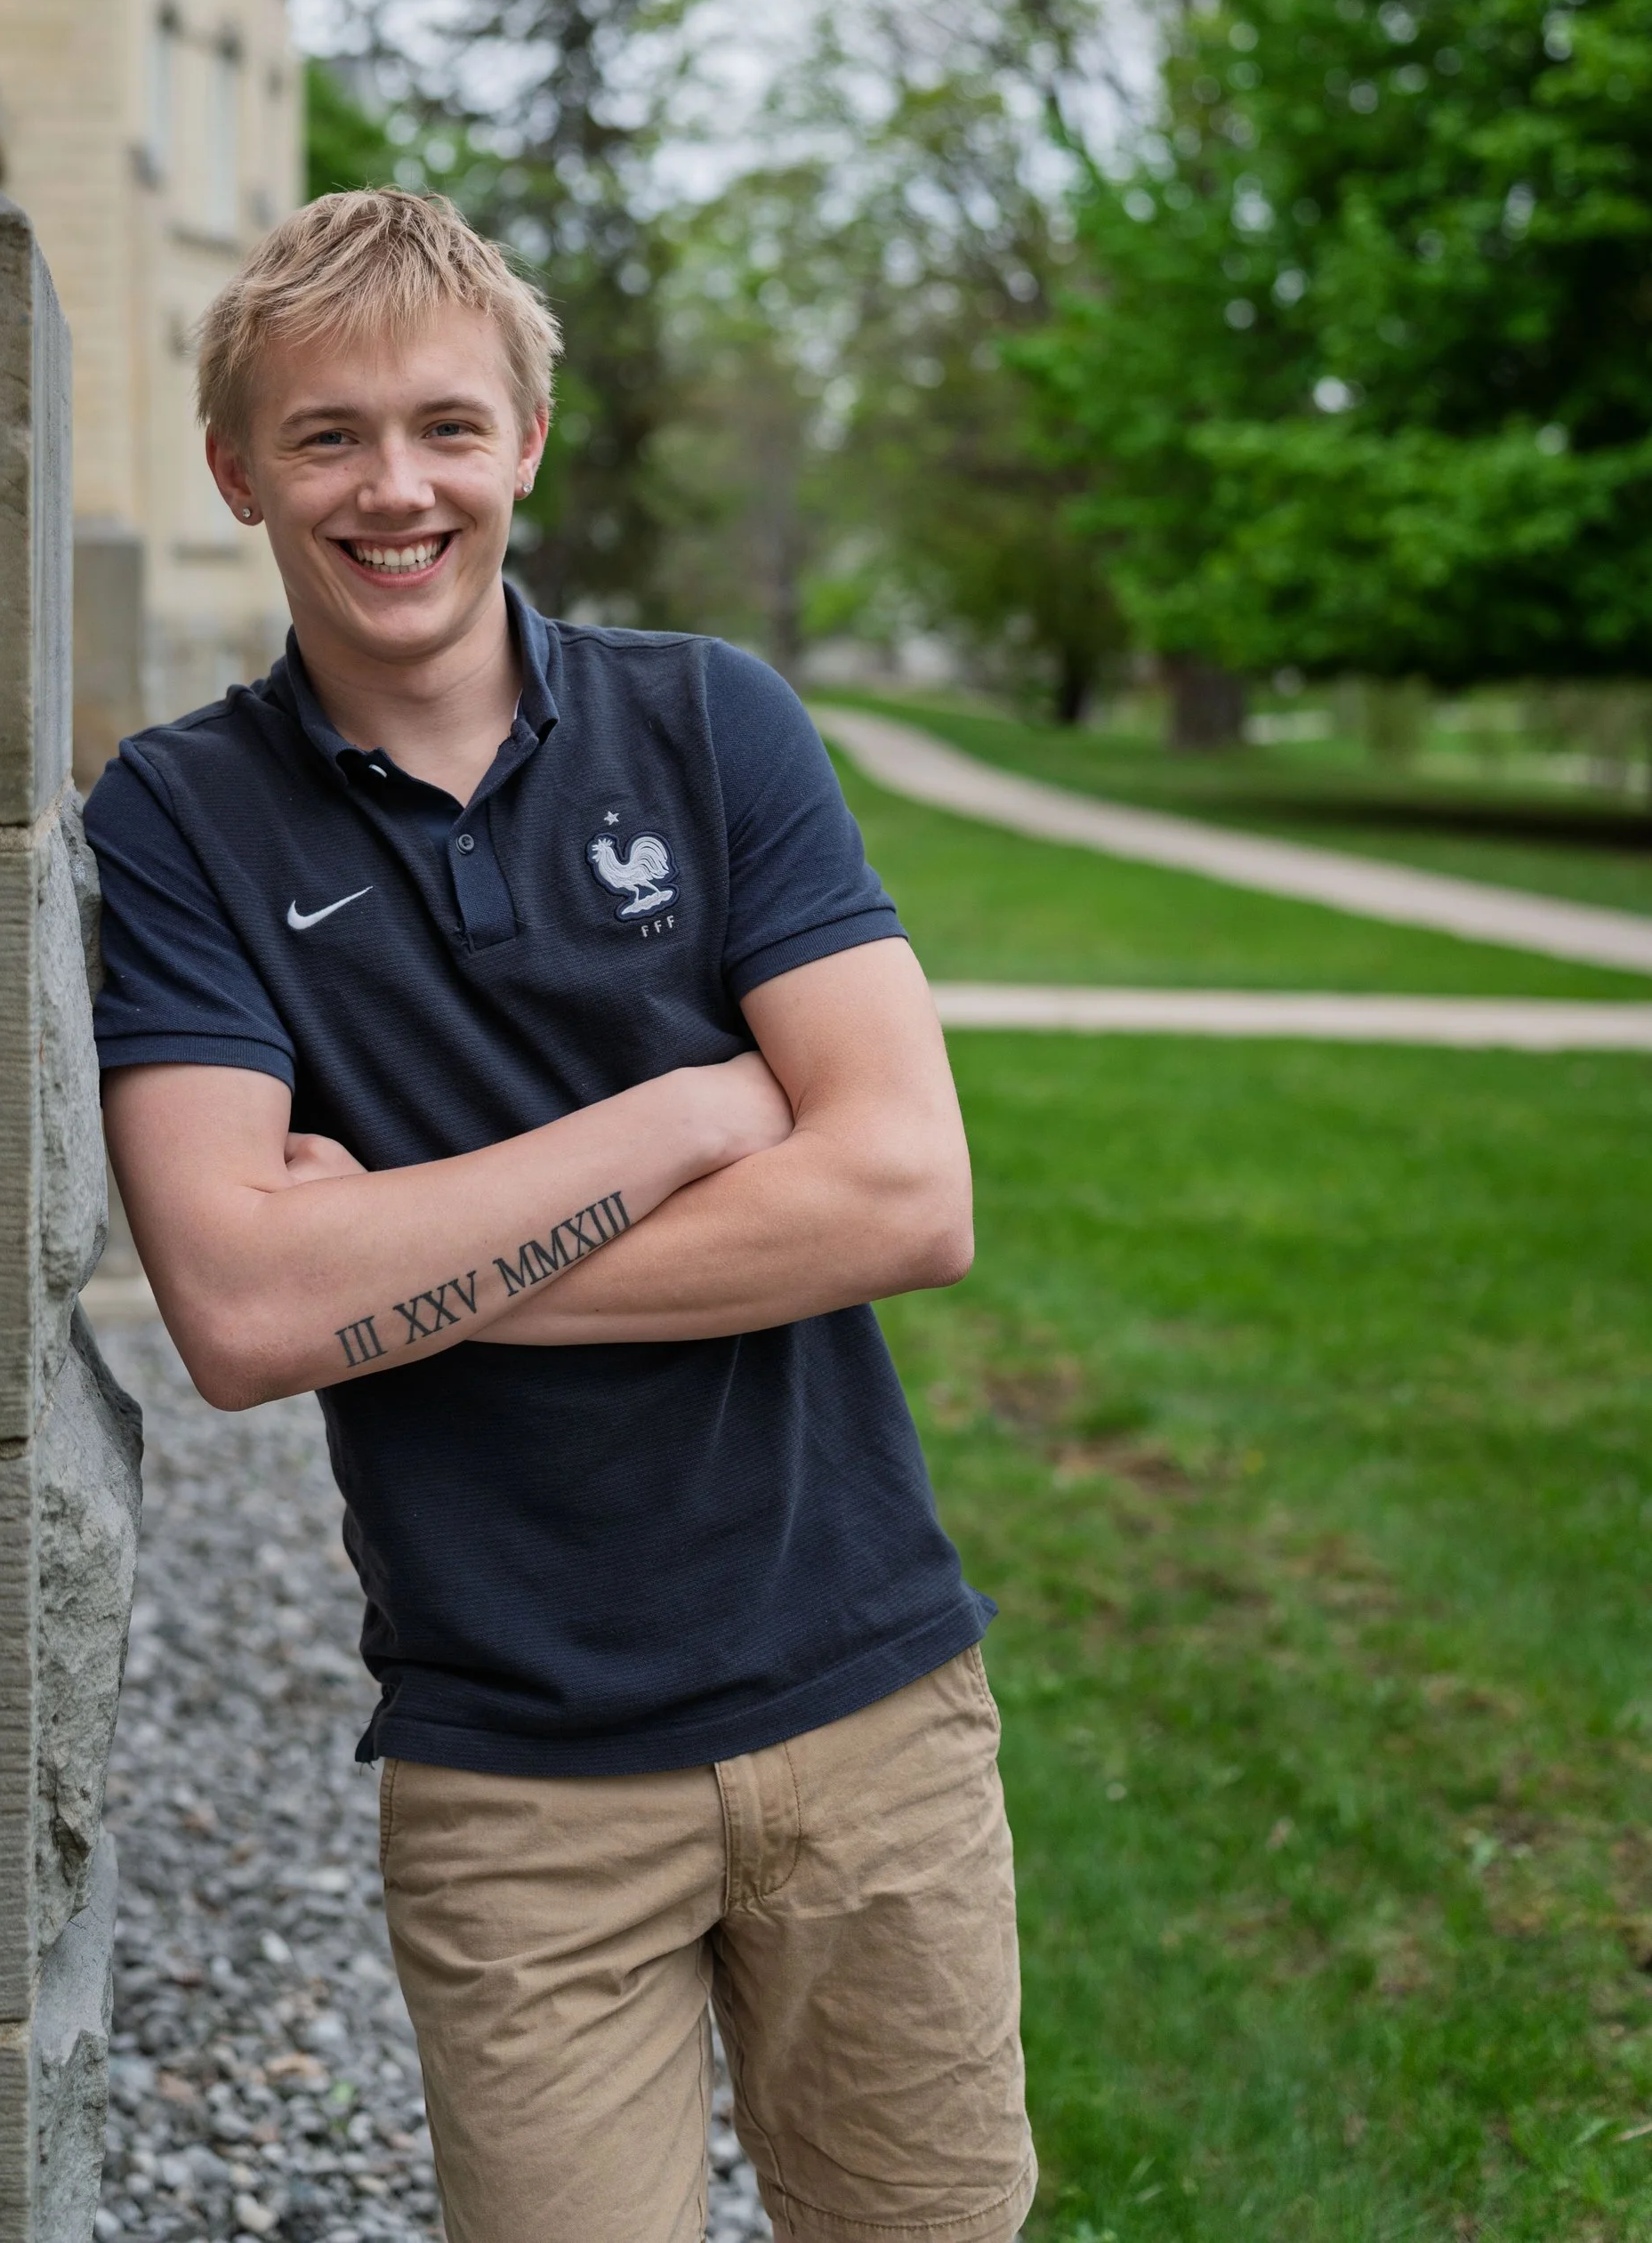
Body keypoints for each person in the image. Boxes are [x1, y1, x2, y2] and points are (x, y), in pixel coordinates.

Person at [85, 187, 1035, 2243]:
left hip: (865, 1704)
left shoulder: (710, 722)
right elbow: (241, 1311)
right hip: (516, 1771)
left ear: (525, 440)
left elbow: (901, 1186)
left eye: (443, 425)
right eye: (326, 435)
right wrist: (694, 1110)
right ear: (237, 467)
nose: (391, 486)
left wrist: (395, 1273)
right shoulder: (178, 817)